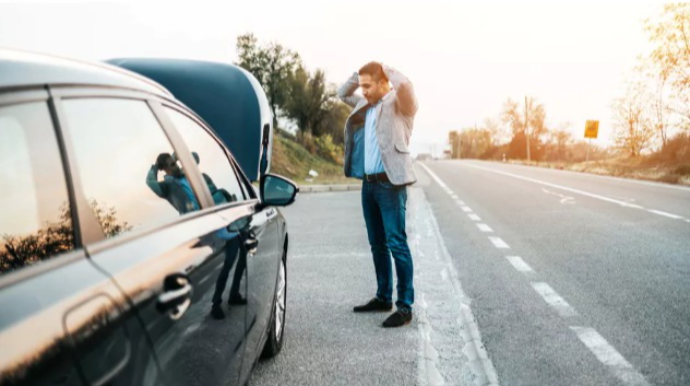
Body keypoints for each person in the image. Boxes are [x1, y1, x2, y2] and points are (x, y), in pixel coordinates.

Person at [338, 62, 418, 328]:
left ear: (384, 83)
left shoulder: (400, 103)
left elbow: (405, 85)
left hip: (391, 184)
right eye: (362, 87)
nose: (364, 91)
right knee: (377, 244)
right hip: (369, 185)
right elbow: (341, 93)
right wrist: (359, 75)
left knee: (396, 243)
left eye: (368, 86)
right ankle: (383, 296)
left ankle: (405, 307)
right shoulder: (365, 105)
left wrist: (386, 67)